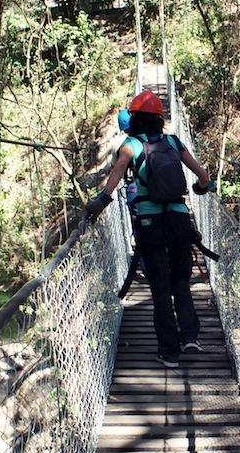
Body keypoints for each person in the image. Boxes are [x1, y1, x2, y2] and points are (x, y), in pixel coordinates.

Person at [86, 90, 215, 369]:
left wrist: (101, 201)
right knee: (180, 280)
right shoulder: (173, 141)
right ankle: (190, 337)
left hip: (149, 223)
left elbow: (117, 174)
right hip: (180, 219)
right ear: (159, 119)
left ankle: (170, 353)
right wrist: (202, 187)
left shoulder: (130, 145)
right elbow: (202, 176)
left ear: (134, 119)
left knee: (160, 287)